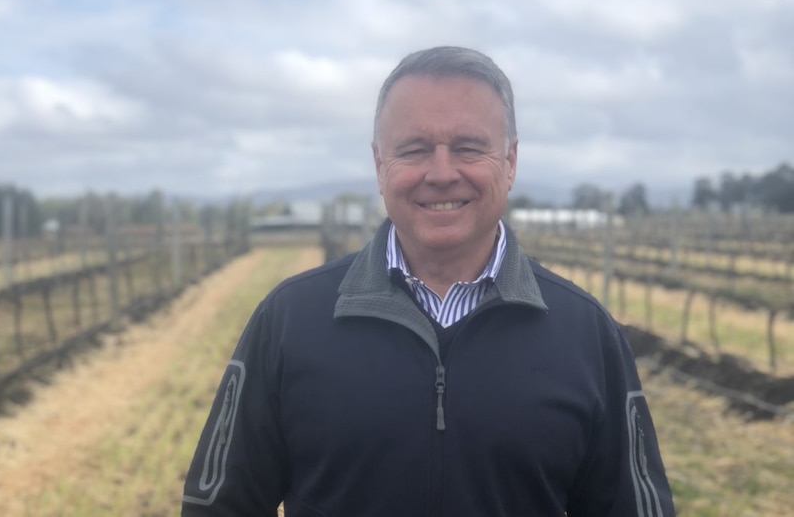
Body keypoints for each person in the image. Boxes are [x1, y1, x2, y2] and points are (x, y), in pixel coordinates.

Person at [181, 46, 675, 516]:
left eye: (468, 148)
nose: (441, 173)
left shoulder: (586, 333)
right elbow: (221, 507)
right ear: (380, 166)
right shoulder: (289, 321)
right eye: (415, 150)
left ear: (510, 162)